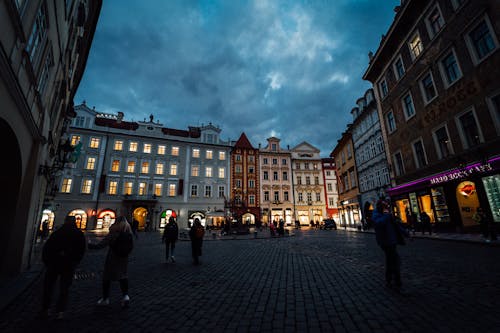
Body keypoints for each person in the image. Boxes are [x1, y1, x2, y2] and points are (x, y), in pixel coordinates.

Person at [40, 215, 86, 320]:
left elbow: (47, 248)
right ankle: (60, 311)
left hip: (54, 264)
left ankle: (46, 309)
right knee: (64, 289)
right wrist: (75, 261)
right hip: (68, 265)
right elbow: (81, 250)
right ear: (75, 222)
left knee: (49, 287)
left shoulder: (57, 233)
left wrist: (47, 262)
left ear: (65, 221)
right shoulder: (78, 234)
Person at [88, 216, 133, 308]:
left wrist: (90, 245)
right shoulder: (129, 234)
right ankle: (125, 296)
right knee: (123, 276)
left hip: (113, 257)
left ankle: (105, 298)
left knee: (107, 277)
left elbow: (101, 245)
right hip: (124, 258)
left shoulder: (114, 233)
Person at [372, 200, 409, 292]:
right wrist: (386, 215)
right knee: (394, 260)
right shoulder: (376, 213)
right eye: (385, 206)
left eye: (387, 206)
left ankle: (389, 279)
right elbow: (378, 223)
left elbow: (395, 225)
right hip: (385, 242)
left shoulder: (387, 214)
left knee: (390, 260)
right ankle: (397, 282)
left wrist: (406, 234)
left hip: (392, 240)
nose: (386, 207)